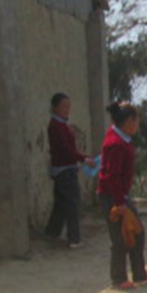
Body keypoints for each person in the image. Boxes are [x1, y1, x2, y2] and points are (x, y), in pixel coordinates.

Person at [98, 102, 147, 290]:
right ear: (129, 121)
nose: (138, 123)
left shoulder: (118, 137)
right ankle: (118, 279)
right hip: (113, 196)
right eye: (136, 119)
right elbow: (112, 175)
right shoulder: (115, 143)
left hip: (120, 195)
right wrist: (119, 203)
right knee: (120, 238)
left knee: (137, 232)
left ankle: (139, 273)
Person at [44, 92, 93, 248]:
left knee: (61, 203)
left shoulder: (60, 125)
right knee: (73, 203)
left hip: (62, 168)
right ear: (55, 107)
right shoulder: (56, 126)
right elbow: (66, 150)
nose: (67, 109)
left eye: (68, 106)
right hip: (64, 169)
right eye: (63, 106)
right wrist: (83, 158)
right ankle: (74, 238)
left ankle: (52, 232)